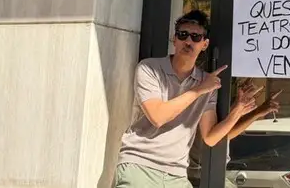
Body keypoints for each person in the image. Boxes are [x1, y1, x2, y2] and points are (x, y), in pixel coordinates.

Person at [115, 10, 280, 187]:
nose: (188, 41)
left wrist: (238, 110)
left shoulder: (208, 83)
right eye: (183, 35)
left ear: (204, 44)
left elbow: (210, 138)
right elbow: (158, 117)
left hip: (176, 173)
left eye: (195, 37)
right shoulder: (150, 68)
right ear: (174, 39)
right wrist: (200, 89)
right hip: (140, 163)